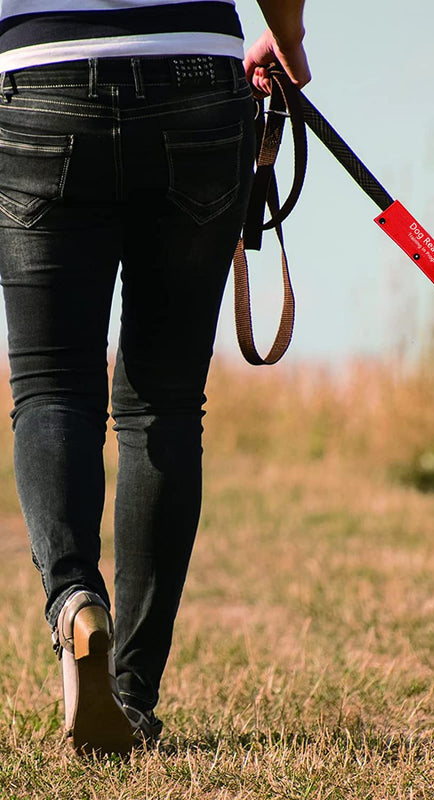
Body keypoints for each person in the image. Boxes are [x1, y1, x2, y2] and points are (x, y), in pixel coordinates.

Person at [0, 0, 309, 755]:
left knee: (53, 384)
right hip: (197, 79)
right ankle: (131, 695)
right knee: (163, 405)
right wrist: (290, 42)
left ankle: (75, 598)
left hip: (40, 79)